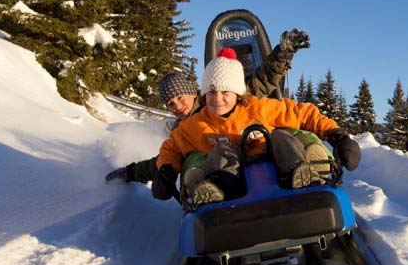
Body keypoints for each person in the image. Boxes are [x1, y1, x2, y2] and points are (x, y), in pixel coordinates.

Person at [151, 47, 361, 206]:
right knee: (219, 151)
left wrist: (338, 136)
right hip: (234, 180)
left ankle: (306, 170)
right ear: (204, 95)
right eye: (212, 93)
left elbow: (302, 113)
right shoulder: (196, 124)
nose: (218, 99)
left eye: (225, 92)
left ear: (237, 93)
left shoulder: (258, 108)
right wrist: (166, 171)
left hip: (277, 168)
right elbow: (172, 146)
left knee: (281, 136)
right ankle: (211, 190)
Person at [105, 28, 311, 183]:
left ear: (193, 92)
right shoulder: (184, 129)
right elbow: (166, 158)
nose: (176, 106)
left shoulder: (226, 97)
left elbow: (264, 79)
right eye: (170, 104)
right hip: (223, 180)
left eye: (180, 98)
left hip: (261, 166)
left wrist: (283, 53)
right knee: (193, 160)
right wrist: (131, 172)